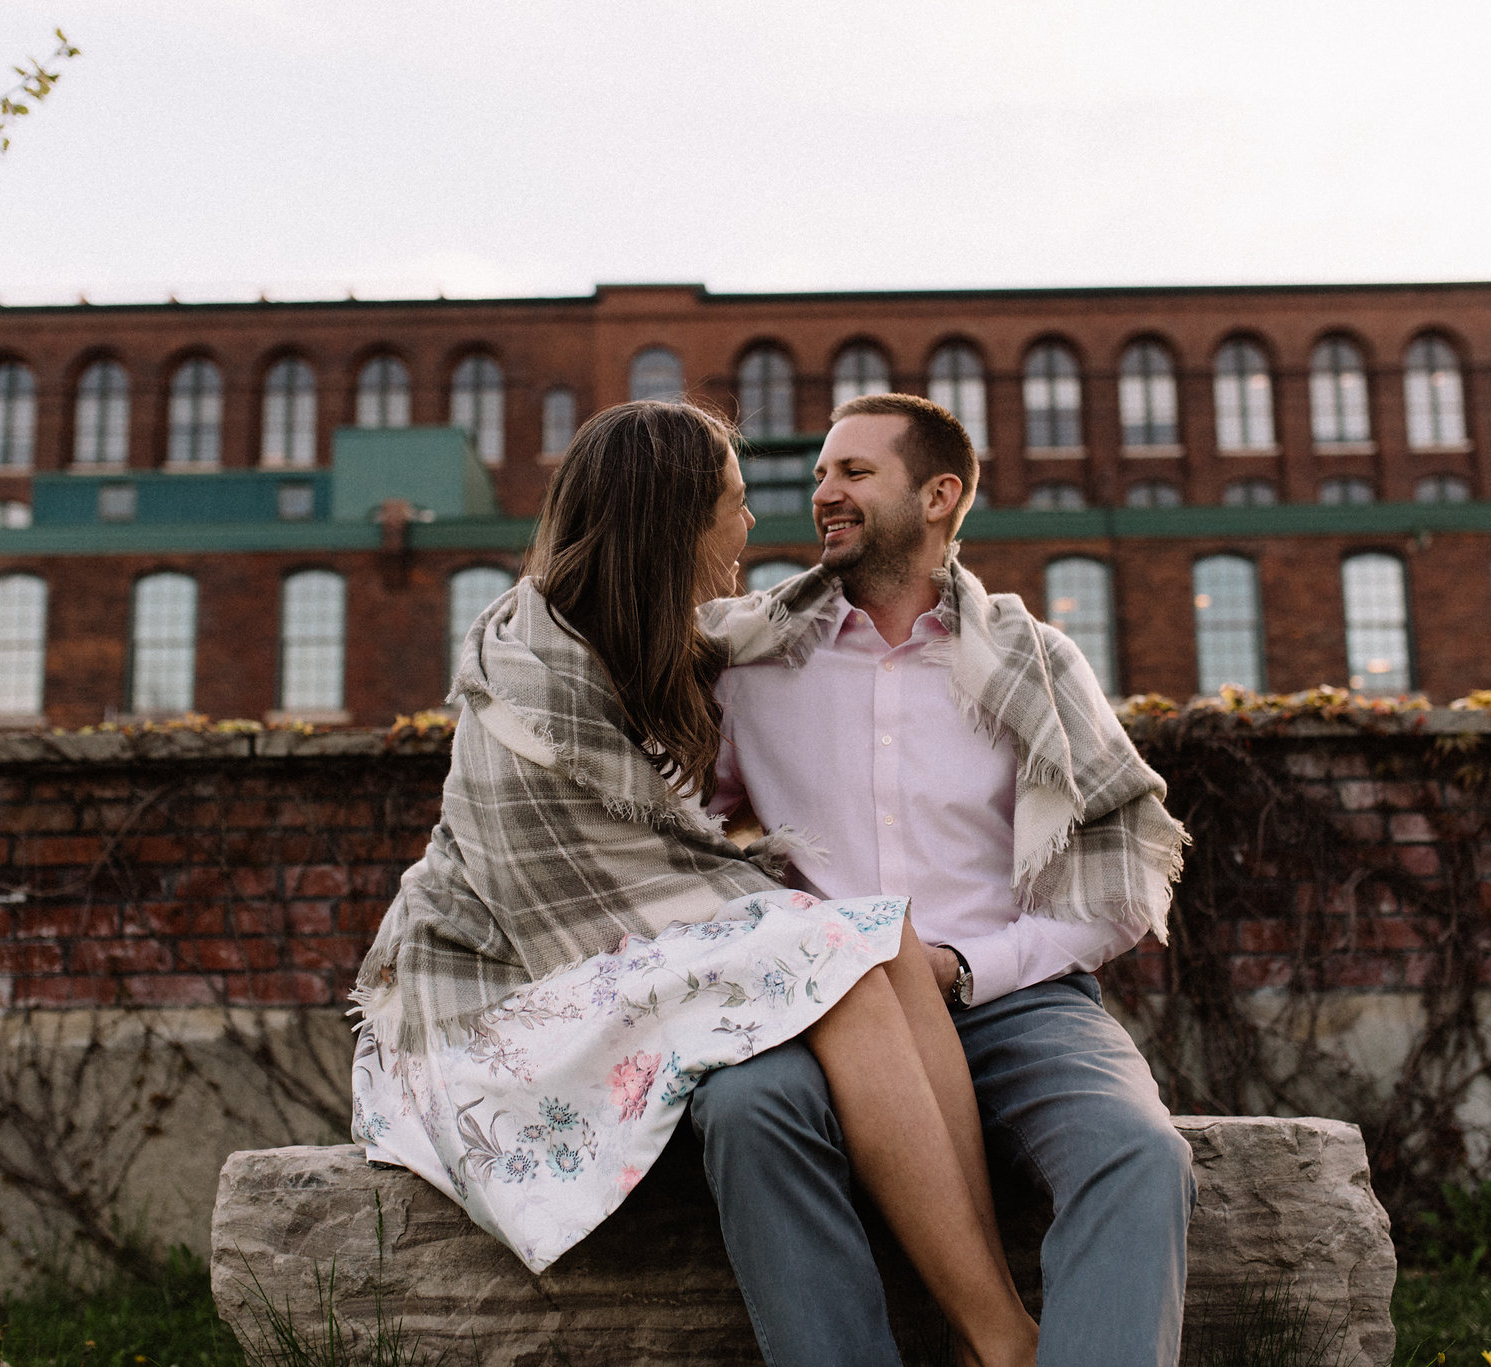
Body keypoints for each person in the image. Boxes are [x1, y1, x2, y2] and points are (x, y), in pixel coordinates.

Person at [350, 400, 1039, 1364]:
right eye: (734, 500)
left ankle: (992, 1327)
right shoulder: (527, 659)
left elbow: (775, 621)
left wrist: (935, 591)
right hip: (497, 991)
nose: (752, 525)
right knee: (837, 945)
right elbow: (574, 895)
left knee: (876, 937)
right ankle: (1005, 1336)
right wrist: (790, 924)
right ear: (673, 517)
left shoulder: (665, 635)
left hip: (612, 959)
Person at [695, 391, 1195, 1366]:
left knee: (1139, 1154)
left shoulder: (1033, 663)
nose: (823, 493)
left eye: (852, 472)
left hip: (1018, 999)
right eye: (817, 476)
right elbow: (684, 830)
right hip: (818, 1009)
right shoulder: (746, 659)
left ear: (938, 494)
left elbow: (1115, 886)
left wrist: (962, 965)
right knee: (743, 1111)